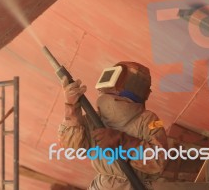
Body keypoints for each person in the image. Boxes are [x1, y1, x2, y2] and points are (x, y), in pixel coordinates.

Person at [58, 62, 167, 190]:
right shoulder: (95, 118)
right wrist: (71, 107)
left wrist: (124, 142)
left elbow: (158, 161)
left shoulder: (150, 120)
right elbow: (71, 145)